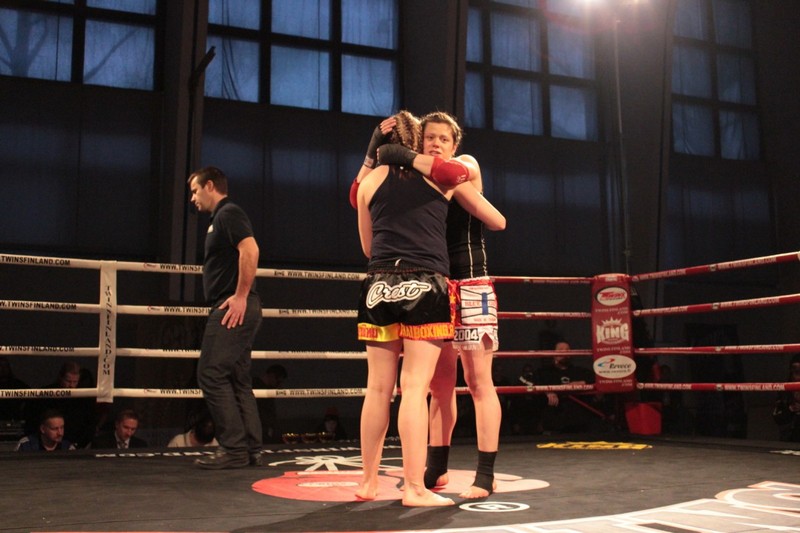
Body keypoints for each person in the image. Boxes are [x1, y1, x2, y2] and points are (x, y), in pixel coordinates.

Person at [378, 111, 507, 499]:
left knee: (479, 382)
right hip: (434, 284)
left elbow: (494, 217)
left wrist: (398, 154)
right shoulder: (416, 178)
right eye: (429, 137)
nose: (435, 143)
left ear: (455, 145)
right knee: (439, 385)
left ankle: (486, 474)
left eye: (443, 139)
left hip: (471, 282)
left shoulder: (463, 166)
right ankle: (436, 468)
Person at [354, 109, 468, 507]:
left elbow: (367, 247)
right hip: (425, 281)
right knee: (415, 389)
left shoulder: (368, 182)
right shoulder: (439, 176)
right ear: (418, 142)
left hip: (378, 283)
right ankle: (415, 489)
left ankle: (368, 483)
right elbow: (458, 174)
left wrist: (374, 156)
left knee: (377, 388)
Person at [188, 166, 263, 469]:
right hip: (239, 305)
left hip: (233, 306)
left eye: (195, 191)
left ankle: (233, 448)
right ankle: (251, 449)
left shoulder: (228, 213)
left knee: (210, 373)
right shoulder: (220, 217)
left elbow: (251, 250)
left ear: (210, 186)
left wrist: (240, 296)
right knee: (237, 378)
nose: (192, 198)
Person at [532, 340, 600, 434]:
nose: (564, 352)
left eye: (567, 350)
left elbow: (597, 379)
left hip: (578, 424)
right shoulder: (543, 372)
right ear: (553, 354)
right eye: (561, 349)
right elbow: (533, 383)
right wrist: (546, 390)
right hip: (554, 424)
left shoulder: (580, 371)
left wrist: (581, 383)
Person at [24, 360, 97, 448]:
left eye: (75, 382)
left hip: (75, 445)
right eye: (68, 381)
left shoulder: (83, 399)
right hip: (45, 446)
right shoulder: (46, 394)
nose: (71, 385)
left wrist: (79, 445)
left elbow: (90, 425)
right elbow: (32, 420)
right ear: (60, 378)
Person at [252, 363, 288, 443]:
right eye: (278, 382)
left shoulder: (269, 389)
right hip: (256, 427)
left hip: (263, 428)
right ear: (271, 376)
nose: (279, 385)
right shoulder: (254, 385)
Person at [772, 354, 800, 442]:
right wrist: (790, 409)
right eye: (795, 369)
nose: (797, 372)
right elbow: (777, 417)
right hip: (789, 438)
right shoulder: (784, 390)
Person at [0, 356, 29, 422]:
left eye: (5, 366)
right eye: (0, 365)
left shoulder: (18, 384)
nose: (3, 369)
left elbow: (31, 398)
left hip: (14, 420)